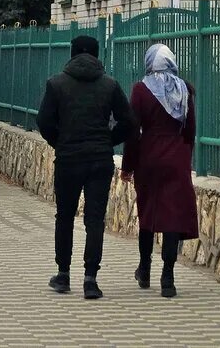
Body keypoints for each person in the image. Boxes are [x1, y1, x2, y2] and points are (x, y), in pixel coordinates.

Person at [37, 35, 135, 300]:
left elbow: (44, 121)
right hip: (99, 161)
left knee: (64, 216)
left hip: (68, 159)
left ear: (72, 54)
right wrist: (107, 140)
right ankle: (91, 280)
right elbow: (129, 122)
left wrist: (61, 142)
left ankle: (63, 275)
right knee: (94, 219)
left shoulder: (56, 84)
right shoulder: (110, 85)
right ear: (96, 54)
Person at [121, 44, 198, 299]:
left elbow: (133, 131)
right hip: (176, 160)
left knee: (149, 213)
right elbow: (190, 130)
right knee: (173, 216)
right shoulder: (184, 90)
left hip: (149, 159)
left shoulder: (141, 90)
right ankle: (168, 277)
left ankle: (144, 269)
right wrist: (184, 157)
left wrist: (128, 166)